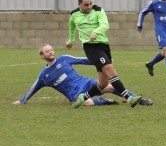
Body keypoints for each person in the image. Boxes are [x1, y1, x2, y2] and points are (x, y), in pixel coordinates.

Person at [66, 0, 143, 108]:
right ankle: (129, 98)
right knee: (110, 69)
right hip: (91, 47)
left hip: (104, 46)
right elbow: (71, 27)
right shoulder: (74, 14)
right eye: (86, 4)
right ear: (79, 4)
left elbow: (105, 25)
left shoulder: (98, 10)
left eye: (91, 3)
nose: (89, 6)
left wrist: (95, 32)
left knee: (103, 83)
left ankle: (83, 97)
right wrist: (71, 40)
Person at [12, 44, 153, 106]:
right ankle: (105, 102)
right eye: (46, 51)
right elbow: (34, 87)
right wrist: (22, 100)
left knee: (110, 87)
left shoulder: (64, 59)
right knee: (87, 103)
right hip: (75, 95)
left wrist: (103, 62)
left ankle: (138, 99)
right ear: (42, 56)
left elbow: (83, 60)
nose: (50, 52)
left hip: (85, 83)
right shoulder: (44, 75)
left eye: (51, 49)